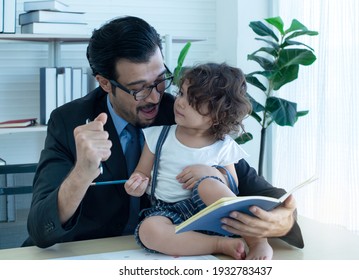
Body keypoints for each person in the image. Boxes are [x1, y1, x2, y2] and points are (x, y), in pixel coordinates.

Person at [23, 15, 304, 250]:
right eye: (139, 88)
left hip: (176, 252)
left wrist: (283, 221)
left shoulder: (189, 114)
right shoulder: (69, 121)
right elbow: (40, 227)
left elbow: (261, 191)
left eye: (160, 81)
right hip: (96, 252)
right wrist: (83, 172)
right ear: (105, 83)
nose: (156, 97)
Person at [125, 63, 273, 260]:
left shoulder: (223, 145)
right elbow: (141, 173)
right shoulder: (158, 136)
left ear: (218, 114)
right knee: (148, 230)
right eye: (181, 94)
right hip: (169, 213)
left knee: (209, 185)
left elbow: (233, 185)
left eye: (193, 101)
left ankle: (257, 241)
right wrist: (137, 183)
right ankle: (220, 244)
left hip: (212, 213)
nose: (180, 103)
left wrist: (211, 173)